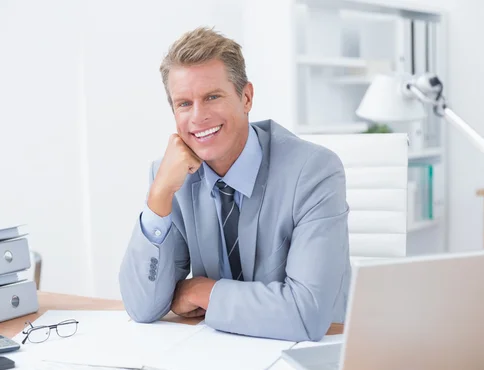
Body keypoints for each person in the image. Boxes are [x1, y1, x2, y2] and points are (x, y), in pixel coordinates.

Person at [119, 27, 351, 342]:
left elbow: (306, 314)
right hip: (218, 356)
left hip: (303, 359)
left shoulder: (313, 172)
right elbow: (142, 308)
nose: (198, 117)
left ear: (246, 97)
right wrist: (159, 196)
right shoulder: (172, 177)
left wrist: (203, 291)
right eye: (184, 104)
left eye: (212, 97)